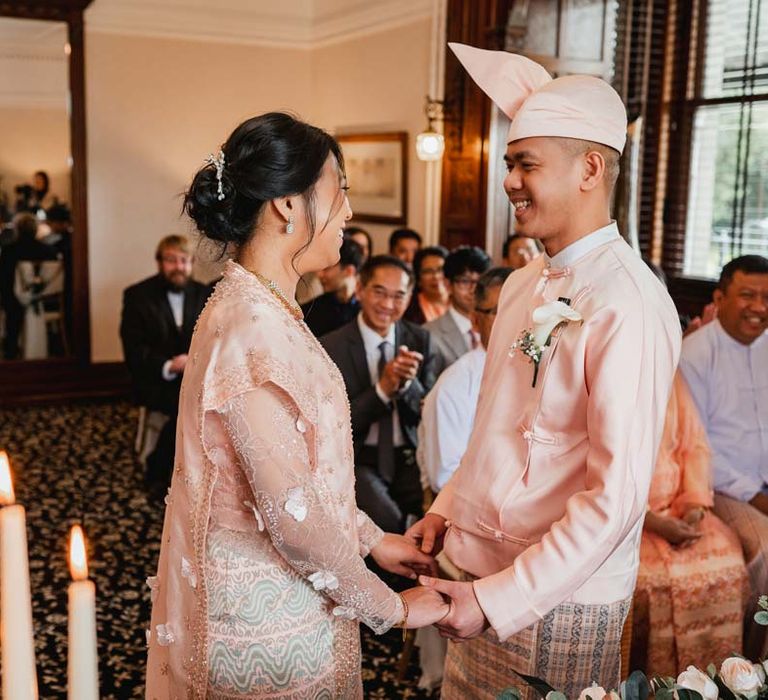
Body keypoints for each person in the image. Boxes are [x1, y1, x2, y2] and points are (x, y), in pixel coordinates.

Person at [407, 43, 681, 699]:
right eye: (508, 164)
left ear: (591, 168)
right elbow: (495, 425)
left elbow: (615, 498)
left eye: (525, 164)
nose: (508, 181)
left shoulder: (629, 302)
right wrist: (446, 508)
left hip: (557, 597)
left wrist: (503, 597)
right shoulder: (529, 279)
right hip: (476, 572)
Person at [145, 113, 448, 699]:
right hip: (263, 623)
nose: (350, 213)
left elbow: (300, 475)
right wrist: (391, 607)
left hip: (290, 598)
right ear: (288, 204)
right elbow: (290, 514)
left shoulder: (263, 307)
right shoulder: (252, 328)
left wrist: (373, 540)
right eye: (341, 191)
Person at [679, 254, 768, 660]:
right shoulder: (695, 354)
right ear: (720, 296)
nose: (760, 307)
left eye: (767, 297)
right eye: (748, 295)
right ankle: (752, 670)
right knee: (767, 550)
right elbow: (696, 448)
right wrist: (754, 495)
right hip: (725, 488)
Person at [631, 372, 749, 677]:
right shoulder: (612, 375)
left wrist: (694, 507)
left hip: (680, 507)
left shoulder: (670, 376)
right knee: (652, 582)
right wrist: (653, 521)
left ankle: (715, 685)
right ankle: (659, 684)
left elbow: (694, 446)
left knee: (727, 560)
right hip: (631, 519)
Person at [321, 254, 436, 534]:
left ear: (410, 298)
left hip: (411, 456)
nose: (387, 305)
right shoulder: (331, 346)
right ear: (360, 289)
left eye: (398, 296)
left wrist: (407, 385)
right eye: (379, 293)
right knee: (392, 526)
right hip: (359, 458)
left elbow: (429, 412)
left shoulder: (420, 339)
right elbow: (332, 426)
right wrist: (382, 391)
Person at [119, 235, 212, 497]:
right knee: (188, 405)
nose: (178, 266)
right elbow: (134, 352)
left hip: (195, 378)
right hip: (155, 380)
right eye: (171, 260)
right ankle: (160, 474)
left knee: (200, 401)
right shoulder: (137, 296)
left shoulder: (204, 294)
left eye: (184, 260)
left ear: (192, 263)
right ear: (160, 263)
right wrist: (170, 365)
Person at [418, 266, 511, 494]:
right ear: (476, 321)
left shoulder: (536, 371)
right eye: (500, 311)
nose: (515, 319)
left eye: (520, 308)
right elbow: (444, 477)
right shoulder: (456, 385)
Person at [424, 245, 491, 376]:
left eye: (479, 282)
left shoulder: (497, 326)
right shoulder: (429, 334)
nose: (473, 290)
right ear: (448, 284)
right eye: (465, 282)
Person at [301, 237, 363, 336]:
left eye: (326, 268)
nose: (319, 275)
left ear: (349, 271)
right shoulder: (310, 311)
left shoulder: (366, 310)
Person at [404, 245, 449, 325]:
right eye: (428, 271)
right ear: (419, 280)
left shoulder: (463, 303)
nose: (436, 276)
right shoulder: (408, 309)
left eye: (441, 270)